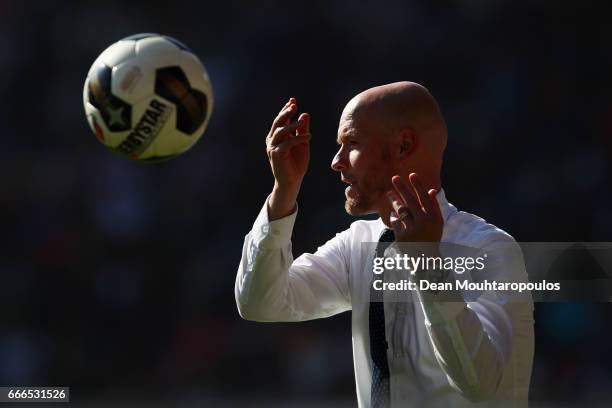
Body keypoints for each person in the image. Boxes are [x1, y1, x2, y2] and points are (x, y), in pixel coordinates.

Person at [234, 82, 534, 407]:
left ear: (403, 146)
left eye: (352, 142)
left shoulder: (490, 249)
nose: (336, 161)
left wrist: (427, 266)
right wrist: (283, 193)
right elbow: (259, 304)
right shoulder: (358, 244)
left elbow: (481, 385)